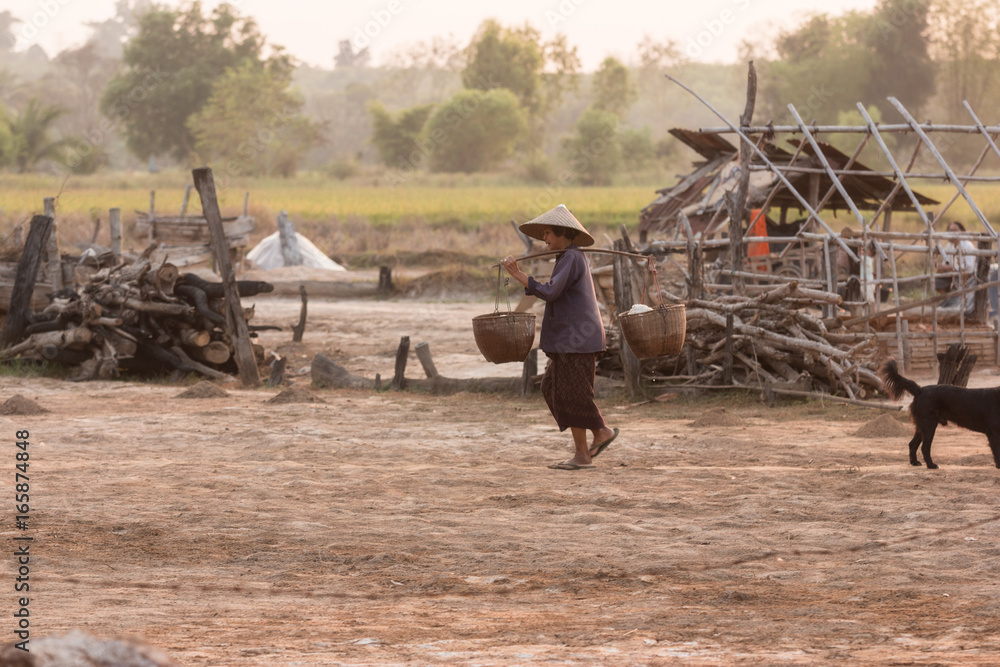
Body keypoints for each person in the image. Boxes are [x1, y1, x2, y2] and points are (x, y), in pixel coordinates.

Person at [500, 204, 618, 470]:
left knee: (573, 393)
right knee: (554, 388)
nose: (545, 240)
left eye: (548, 234)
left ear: (563, 234)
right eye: (543, 235)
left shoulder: (572, 258)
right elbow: (555, 292)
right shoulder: (565, 258)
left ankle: (597, 435)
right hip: (570, 340)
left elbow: (551, 292)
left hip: (577, 340)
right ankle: (587, 448)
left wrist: (518, 275)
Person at [935, 220, 977, 310]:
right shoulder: (949, 246)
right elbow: (947, 262)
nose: (952, 233)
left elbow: (969, 267)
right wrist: (942, 268)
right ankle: (948, 301)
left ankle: (956, 304)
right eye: (950, 230)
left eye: (955, 230)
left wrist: (949, 267)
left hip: (967, 276)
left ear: (961, 231)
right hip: (954, 274)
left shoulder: (967, 245)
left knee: (957, 283)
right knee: (938, 280)